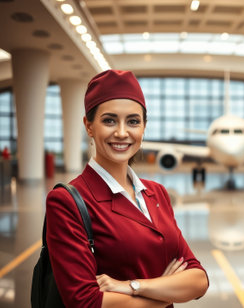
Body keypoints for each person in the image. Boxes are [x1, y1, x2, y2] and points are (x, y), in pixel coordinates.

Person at [45, 70, 208, 308]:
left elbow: (199, 280)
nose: (122, 133)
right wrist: (166, 295)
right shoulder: (66, 201)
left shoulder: (157, 193)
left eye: (133, 121)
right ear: (89, 126)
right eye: (109, 120)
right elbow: (86, 302)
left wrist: (133, 286)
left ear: (143, 127)